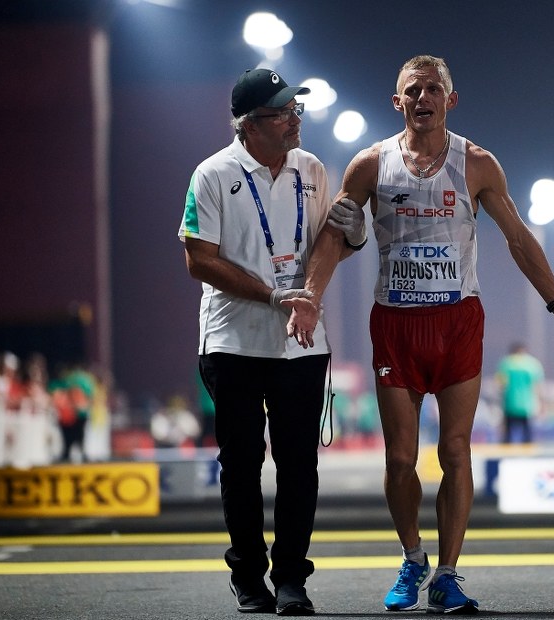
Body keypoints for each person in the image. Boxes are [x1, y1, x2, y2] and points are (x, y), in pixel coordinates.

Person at [283, 54, 554, 614]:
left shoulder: (476, 163)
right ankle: (413, 558)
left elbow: (519, 239)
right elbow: (335, 236)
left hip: (457, 321)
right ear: (397, 101)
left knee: (455, 450)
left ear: (450, 100)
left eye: (433, 89)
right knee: (400, 458)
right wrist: (311, 297)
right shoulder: (370, 164)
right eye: (413, 90)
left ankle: (448, 575)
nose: (423, 98)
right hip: (396, 324)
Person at [178, 67, 361, 615]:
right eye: (281, 113)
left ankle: (291, 579)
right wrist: (273, 295)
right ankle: (248, 576)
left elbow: (329, 244)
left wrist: (351, 237)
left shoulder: (312, 168)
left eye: (295, 110)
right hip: (233, 340)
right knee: (241, 463)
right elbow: (198, 261)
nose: (294, 120)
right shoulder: (212, 174)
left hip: (301, 341)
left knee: (299, 463)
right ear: (249, 125)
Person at [494, 342, 544, 444]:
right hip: (528, 405)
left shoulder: (506, 363)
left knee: (507, 436)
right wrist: (541, 404)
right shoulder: (533, 364)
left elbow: (500, 385)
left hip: (510, 404)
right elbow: (538, 386)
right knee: (527, 435)